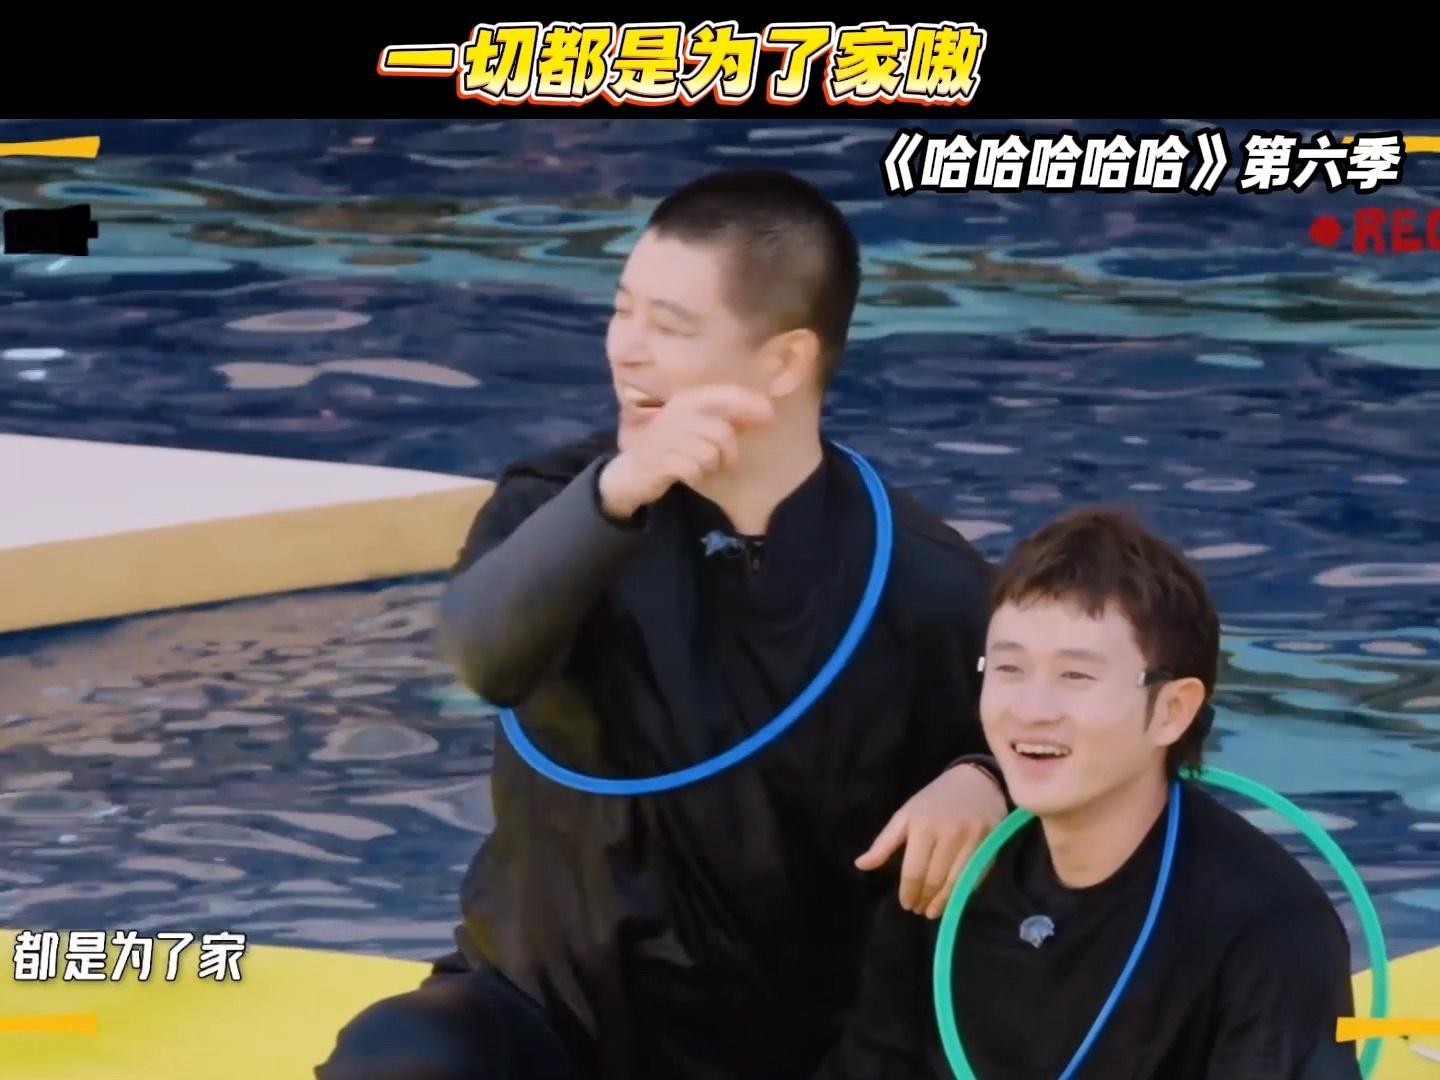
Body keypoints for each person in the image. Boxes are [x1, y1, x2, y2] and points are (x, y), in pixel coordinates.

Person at [315, 167, 1010, 1080]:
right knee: (400, 1058)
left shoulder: (921, 577)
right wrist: (615, 496)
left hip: (787, 1050)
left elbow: (1098, 760)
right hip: (546, 1017)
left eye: (670, 327)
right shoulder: (553, 509)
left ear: (784, 362)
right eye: (622, 311)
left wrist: (987, 778)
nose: (625, 351)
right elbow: (479, 657)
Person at [814, 506, 1361, 1080]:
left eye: (1075, 676)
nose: (1031, 710)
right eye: (1008, 669)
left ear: (1172, 710)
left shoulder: (1268, 925)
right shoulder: (948, 870)